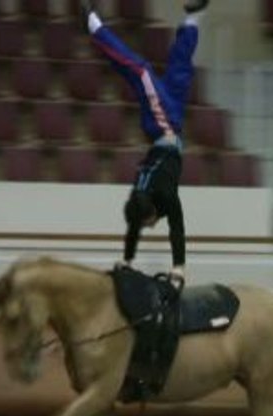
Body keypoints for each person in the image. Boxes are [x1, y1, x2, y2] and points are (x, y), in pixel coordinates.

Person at [82, 0, 209, 291]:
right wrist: (130, 262)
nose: (150, 226)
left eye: (148, 223)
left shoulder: (156, 195)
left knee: (139, 71)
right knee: (180, 69)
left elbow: (173, 230)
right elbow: (151, 229)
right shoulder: (152, 200)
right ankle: (194, 18)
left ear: (149, 210)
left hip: (161, 125)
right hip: (171, 125)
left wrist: (176, 268)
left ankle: (95, 28)